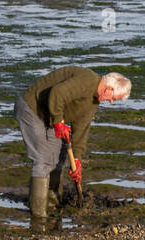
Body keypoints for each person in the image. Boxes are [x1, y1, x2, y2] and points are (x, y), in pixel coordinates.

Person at [14, 67, 132, 227]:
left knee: (59, 159)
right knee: (43, 159)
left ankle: (52, 206)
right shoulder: (87, 80)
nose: (110, 102)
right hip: (32, 109)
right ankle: (38, 216)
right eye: (113, 98)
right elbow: (57, 93)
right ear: (109, 88)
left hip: (50, 118)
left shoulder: (93, 102)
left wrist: (77, 160)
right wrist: (58, 121)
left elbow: (81, 131)